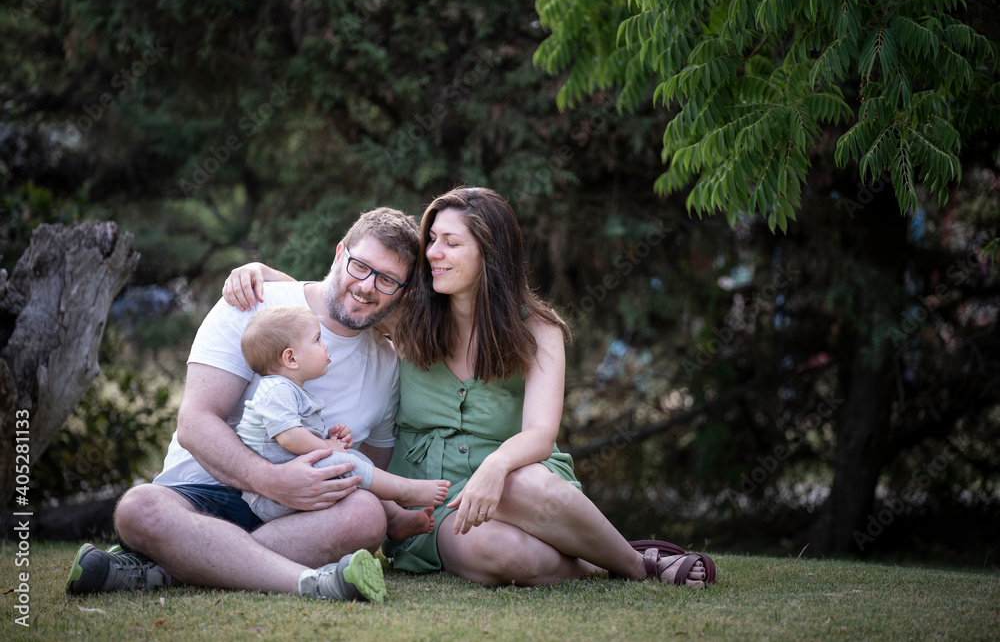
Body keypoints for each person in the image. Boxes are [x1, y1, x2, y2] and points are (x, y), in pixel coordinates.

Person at [224, 188, 717, 588]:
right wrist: (263, 276)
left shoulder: (538, 330)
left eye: (451, 243)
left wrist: (497, 465)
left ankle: (637, 566)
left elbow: (541, 434)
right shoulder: (410, 316)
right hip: (431, 499)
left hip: (519, 479)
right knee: (500, 552)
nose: (432, 253)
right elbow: (342, 298)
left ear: (490, 253)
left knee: (520, 483)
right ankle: (593, 562)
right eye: (432, 239)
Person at [66, 207, 429, 603]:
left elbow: (370, 471)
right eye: (360, 266)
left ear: (404, 290)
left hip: (299, 519)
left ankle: (167, 567)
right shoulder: (255, 303)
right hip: (201, 493)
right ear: (339, 253)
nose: (367, 286)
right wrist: (272, 481)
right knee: (139, 508)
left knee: (366, 515)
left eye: (388, 279)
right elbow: (195, 423)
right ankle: (307, 581)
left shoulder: (387, 365)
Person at [235, 304, 450, 523]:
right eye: (317, 340)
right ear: (291, 359)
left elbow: (293, 439)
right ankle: (405, 491)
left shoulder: (290, 390)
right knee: (345, 463)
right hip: (272, 496)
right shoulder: (276, 390)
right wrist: (328, 448)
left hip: (294, 480)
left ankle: (394, 517)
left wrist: (329, 439)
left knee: (356, 459)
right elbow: (290, 437)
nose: (325, 345)